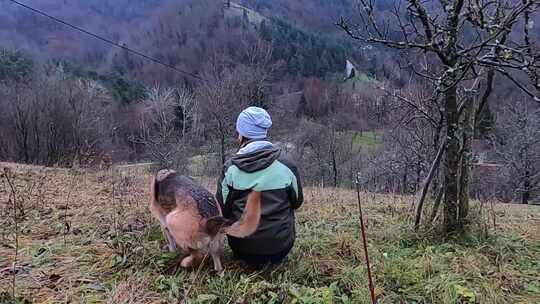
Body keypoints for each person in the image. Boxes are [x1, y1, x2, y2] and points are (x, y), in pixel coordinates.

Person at [216, 106, 303, 266]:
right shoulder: (287, 165)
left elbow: (221, 210)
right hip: (281, 248)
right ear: (264, 132)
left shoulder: (230, 169)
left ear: (241, 134)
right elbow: (297, 202)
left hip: (241, 248)